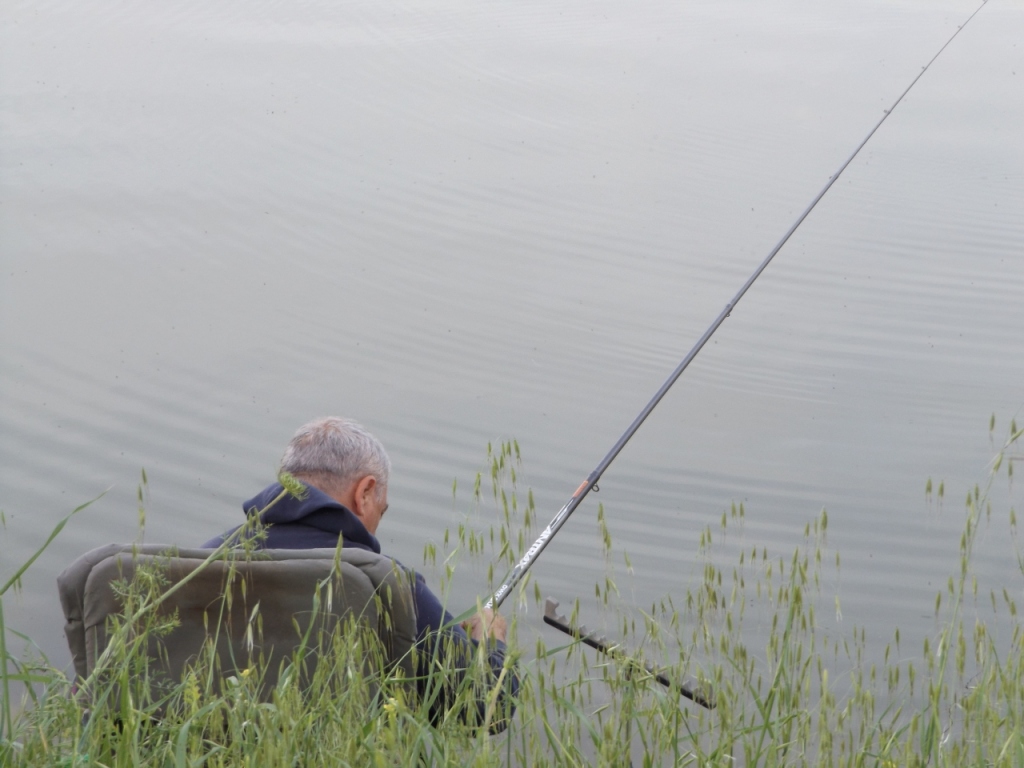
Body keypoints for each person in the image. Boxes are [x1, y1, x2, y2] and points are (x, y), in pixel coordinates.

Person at [202, 416, 517, 729]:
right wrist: (489, 642)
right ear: (364, 492)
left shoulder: (204, 560)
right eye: (382, 510)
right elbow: (487, 708)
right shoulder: (385, 584)